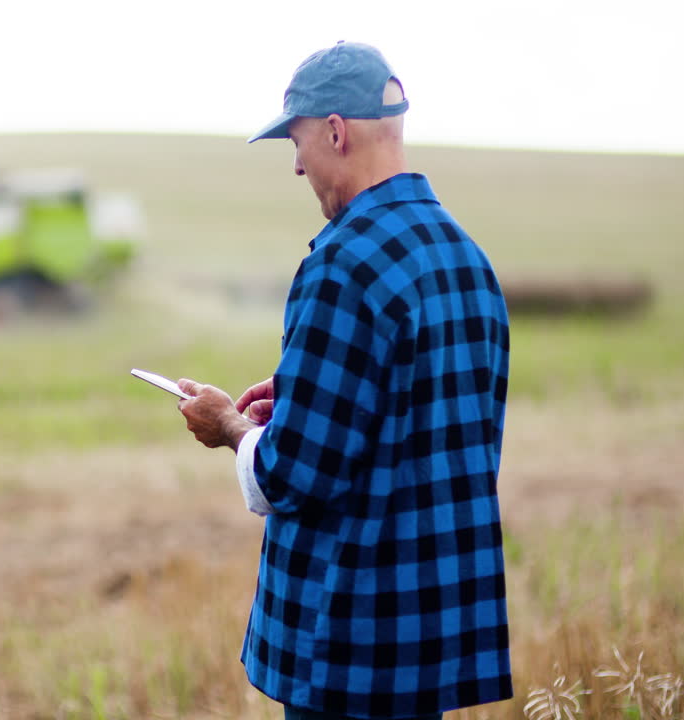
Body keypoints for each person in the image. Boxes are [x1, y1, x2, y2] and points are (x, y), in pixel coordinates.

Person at [175, 41, 513, 720]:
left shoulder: (341, 264)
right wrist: (304, 392)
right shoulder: (465, 257)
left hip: (351, 641)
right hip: (430, 631)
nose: (297, 165)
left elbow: (292, 475)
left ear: (335, 130)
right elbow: (420, 414)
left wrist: (230, 428)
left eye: (298, 142)